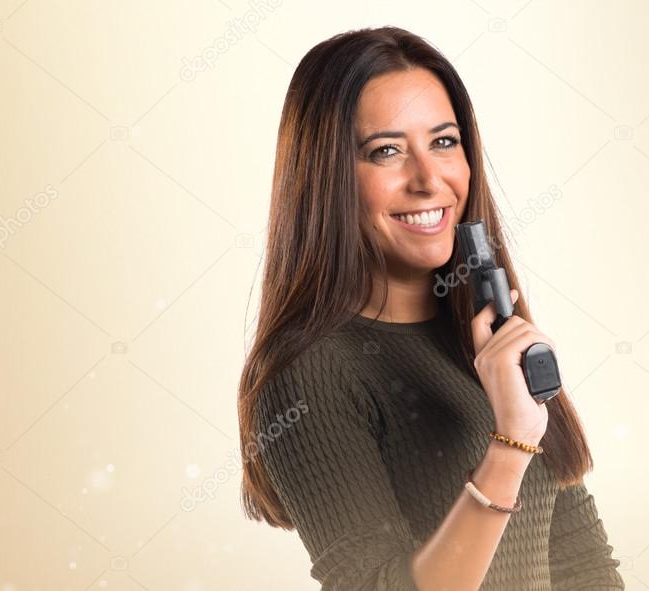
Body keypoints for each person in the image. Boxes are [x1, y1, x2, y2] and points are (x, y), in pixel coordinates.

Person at [236, 25, 624, 591]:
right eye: (386, 151)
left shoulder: (491, 344)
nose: (428, 179)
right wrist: (510, 446)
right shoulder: (307, 373)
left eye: (443, 142)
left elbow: (580, 566)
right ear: (327, 178)